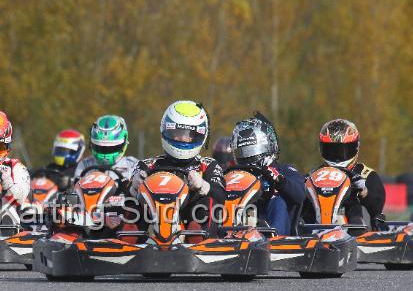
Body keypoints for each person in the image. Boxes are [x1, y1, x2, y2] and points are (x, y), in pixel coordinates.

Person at [130, 100, 225, 234]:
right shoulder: (147, 165)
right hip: (153, 222)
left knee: (208, 201)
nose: (182, 138)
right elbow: (123, 194)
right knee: (132, 203)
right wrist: (134, 187)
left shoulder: (208, 165)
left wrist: (203, 186)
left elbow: (221, 196)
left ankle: (198, 238)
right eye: (177, 132)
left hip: (189, 222)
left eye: (188, 135)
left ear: (199, 135)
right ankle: (129, 238)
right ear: (166, 130)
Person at [230, 113, 304, 235]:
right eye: (242, 152)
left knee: (277, 200)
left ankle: (273, 236)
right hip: (242, 226)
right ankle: (222, 235)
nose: (248, 156)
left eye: (251, 150)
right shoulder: (236, 175)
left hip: (275, 232)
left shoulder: (285, 170)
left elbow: (300, 194)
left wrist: (280, 181)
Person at [315, 118, 386, 228]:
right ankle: (301, 233)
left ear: (355, 147)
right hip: (318, 228)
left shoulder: (367, 175)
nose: (337, 156)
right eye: (332, 150)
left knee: (353, 201)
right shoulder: (316, 175)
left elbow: (377, 207)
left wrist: (364, 192)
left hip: (356, 229)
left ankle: (358, 230)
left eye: (342, 150)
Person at [74, 115, 138, 193]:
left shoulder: (133, 166)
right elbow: (76, 193)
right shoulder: (84, 165)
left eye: (111, 148)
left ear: (124, 142)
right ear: (92, 144)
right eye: (101, 148)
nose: (105, 153)